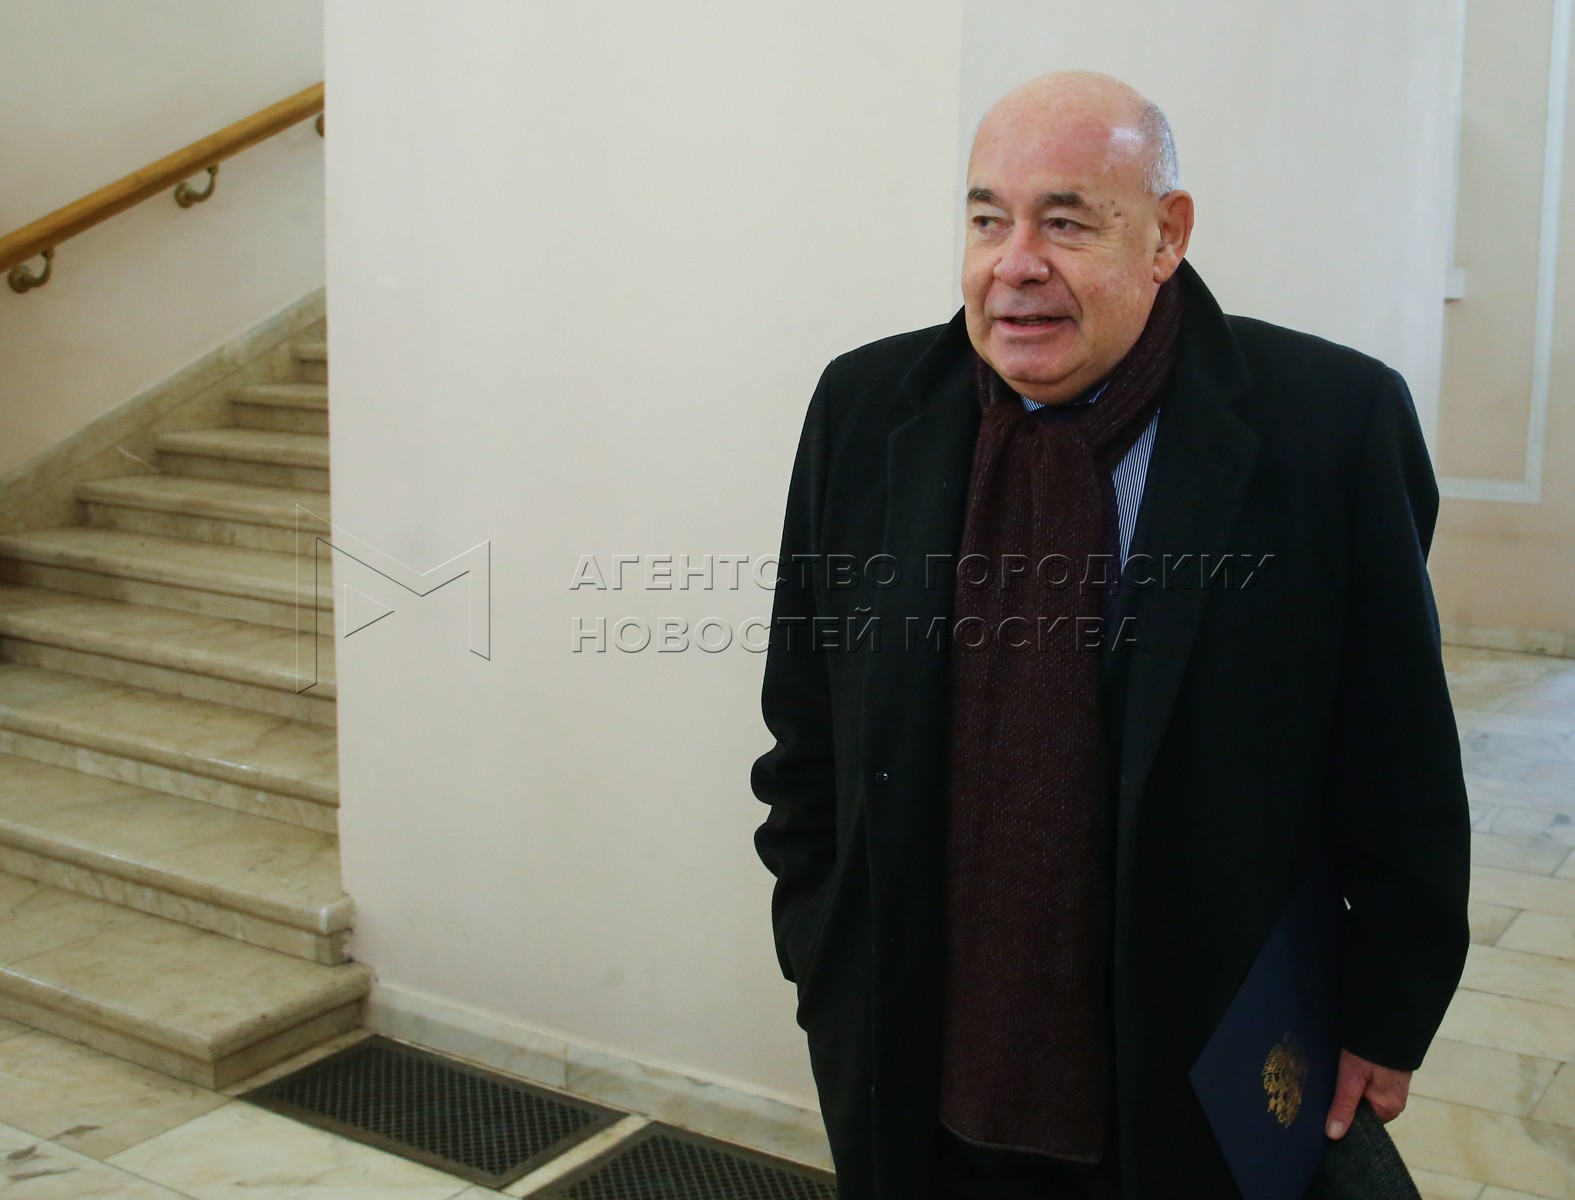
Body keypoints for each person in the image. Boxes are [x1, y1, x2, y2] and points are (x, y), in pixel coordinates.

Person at [749, 70, 1470, 1199]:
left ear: (1166, 235)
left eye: (1067, 222)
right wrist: (823, 949)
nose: (1015, 263)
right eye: (987, 220)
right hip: (913, 1052)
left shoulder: (1328, 425)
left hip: (1198, 1062)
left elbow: (1398, 755)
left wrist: (1387, 1007)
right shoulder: (867, 407)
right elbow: (807, 727)